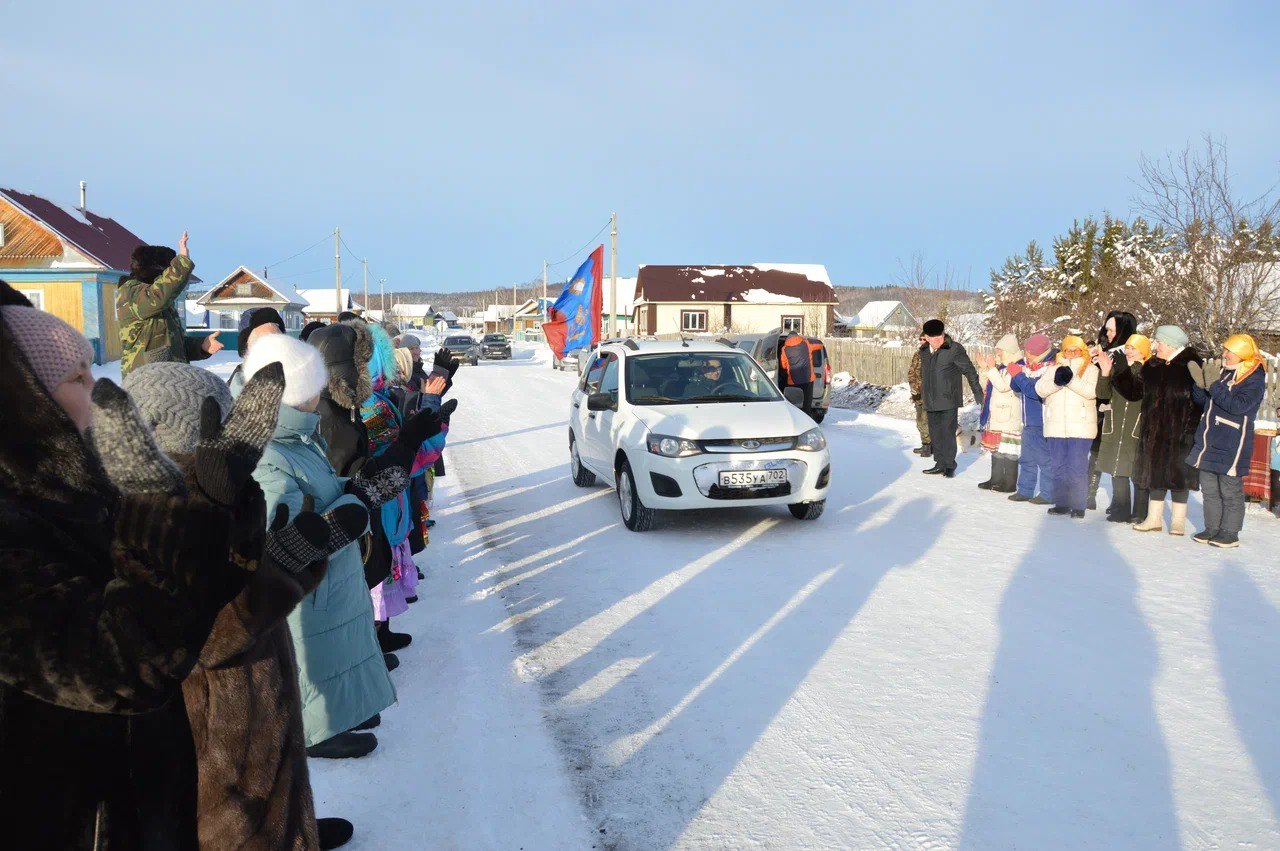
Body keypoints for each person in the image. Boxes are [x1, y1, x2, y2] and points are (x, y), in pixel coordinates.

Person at [0, 282, 255, 848]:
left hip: (149, 803)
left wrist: (220, 516)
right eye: (76, 379)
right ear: (23, 402)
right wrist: (161, 515)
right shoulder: (14, 529)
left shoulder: (80, 494)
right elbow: (121, 669)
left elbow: (193, 618)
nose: (99, 389)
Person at [124, 361, 366, 850]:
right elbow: (199, 633)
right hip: (217, 712)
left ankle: (297, 830)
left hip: (251, 682)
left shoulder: (210, 494)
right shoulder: (151, 512)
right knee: (236, 812)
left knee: (275, 771)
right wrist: (285, 569)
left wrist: (281, 555)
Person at [242, 334, 404, 765]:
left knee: (337, 649)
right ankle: (315, 732)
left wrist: (356, 490)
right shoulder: (268, 451)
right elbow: (292, 534)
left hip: (329, 581)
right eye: (314, 384)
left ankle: (342, 714)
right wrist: (358, 502)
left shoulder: (295, 435)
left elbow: (320, 493)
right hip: (308, 588)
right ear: (293, 393)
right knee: (313, 656)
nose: (322, 392)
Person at [1111, 325, 1204, 535]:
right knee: (1154, 473)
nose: (1155, 346)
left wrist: (1189, 429)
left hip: (1181, 432)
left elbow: (1200, 401)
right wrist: (1123, 371)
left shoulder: (1191, 365)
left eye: (1159, 342)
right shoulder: (1152, 366)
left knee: (1180, 476)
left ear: (1170, 344)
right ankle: (1154, 518)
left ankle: (1178, 521)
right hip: (1153, 431)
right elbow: (1135, 393)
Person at [1187, 333, 1268, 548]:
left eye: (1229, 351)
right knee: (1210, 488)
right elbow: (1205, 402)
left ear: (1242, 354)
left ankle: (1230, 532)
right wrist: (1199, 386)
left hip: (1232, 442)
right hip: (1209, 439)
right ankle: (1212, 527)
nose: (1224, 355)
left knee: (1230, 489)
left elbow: (1238, 406)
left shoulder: (1254, 378)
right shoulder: (1222, 373)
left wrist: (1213, 385)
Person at [117, 230, 223, 376]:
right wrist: (182, 262)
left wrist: (202, 345)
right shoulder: (131, 293)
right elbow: (158, 295)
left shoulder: (161, 303)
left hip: (171, 380)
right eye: (168, 270)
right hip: (146, 382)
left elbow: (174, 345)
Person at [1036, 335, 1099, 518]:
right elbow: (1040, 389)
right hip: (1055, 425)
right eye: (1068, 350)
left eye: (1076, 350)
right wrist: (1057, 382)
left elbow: (1091, 392)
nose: (1071, 354)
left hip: (1080, 426)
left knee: (1077, 467)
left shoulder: (1091, 370)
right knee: (1058, 466)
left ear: (1082, 351)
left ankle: (1078, 504)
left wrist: (1071, 380)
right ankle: (1061, 503)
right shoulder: (1052, 369)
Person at [1094, 334, 1151, 523]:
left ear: (1143, 350)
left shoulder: (1148, 369)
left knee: (1136, 470)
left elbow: (1135, 391)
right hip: (1115, 423)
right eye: (1127, 347)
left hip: (1136, 426)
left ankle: (1140, 512)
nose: (1128, 351)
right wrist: (1105, 372)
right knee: (1116, 466)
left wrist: (1122, 369)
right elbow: (1102, 394)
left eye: (1133, 348)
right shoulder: (1118, 368)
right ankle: (1121, 507)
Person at [918, 319, 984, 478]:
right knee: (935, 434)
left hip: (948, 399)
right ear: (926, 337)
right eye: (933, 338)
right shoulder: (924, 351)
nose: (937, 341)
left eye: (939, 336)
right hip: (930, 399)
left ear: (943, 333)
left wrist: (977, 391)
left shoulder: (954, 349)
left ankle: (949, 465)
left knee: (947, 433)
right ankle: (939, 463)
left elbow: (969, 370)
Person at [1087, 311, 1138, 509]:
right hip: (1100, 409)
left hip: (1117, 412)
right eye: (1106, 329)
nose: (1107, 333)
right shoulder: (1105, 351)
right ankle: (1089, 494)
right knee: (1096, 453)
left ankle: (1120, 502)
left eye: (1112, 330)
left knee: (1115, 457)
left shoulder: (1125, 355)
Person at [1008, 333, 1056, 504]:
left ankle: (1047, 493)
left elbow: (1033, 391)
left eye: (1028, 351)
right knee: (1027, 459)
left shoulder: (1049, 369)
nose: (1025, 354)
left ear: (1036, 352)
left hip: (1041, 421)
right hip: (1028, 421)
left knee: (1045, 460)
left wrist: (1018, 375)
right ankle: (1025, 490)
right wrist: (1016, 374)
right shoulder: (1031, 367)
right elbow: (1017, 387)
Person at [974, 334, 1023, 492]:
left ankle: (1009, 483)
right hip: (997, 414)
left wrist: (992, 369)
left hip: (1009, 415)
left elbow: (1003, 386)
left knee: (1009, 450)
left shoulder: (1017, 366)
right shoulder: (1001, 367)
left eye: (1000, 350)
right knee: (997, 449)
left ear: (1008, 350)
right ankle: (995, 479)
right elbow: (987, 385)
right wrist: (984, 369)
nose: (998, 353)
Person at [228, 306, 287, 394]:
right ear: (246, 346)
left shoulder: (296, 379)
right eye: (261, 341)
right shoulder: (231, 391)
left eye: (277, 340)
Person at [907, 336, 931, 456]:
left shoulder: (932, 355)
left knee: (926, 420)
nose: (921, 341)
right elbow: (911, 372)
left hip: (928, 393)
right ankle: (925, 444)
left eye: (924, 339)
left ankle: (929, 447)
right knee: (919, 420)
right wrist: (913, 390)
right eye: (920, 339)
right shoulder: (918, 353)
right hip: (917, 392)